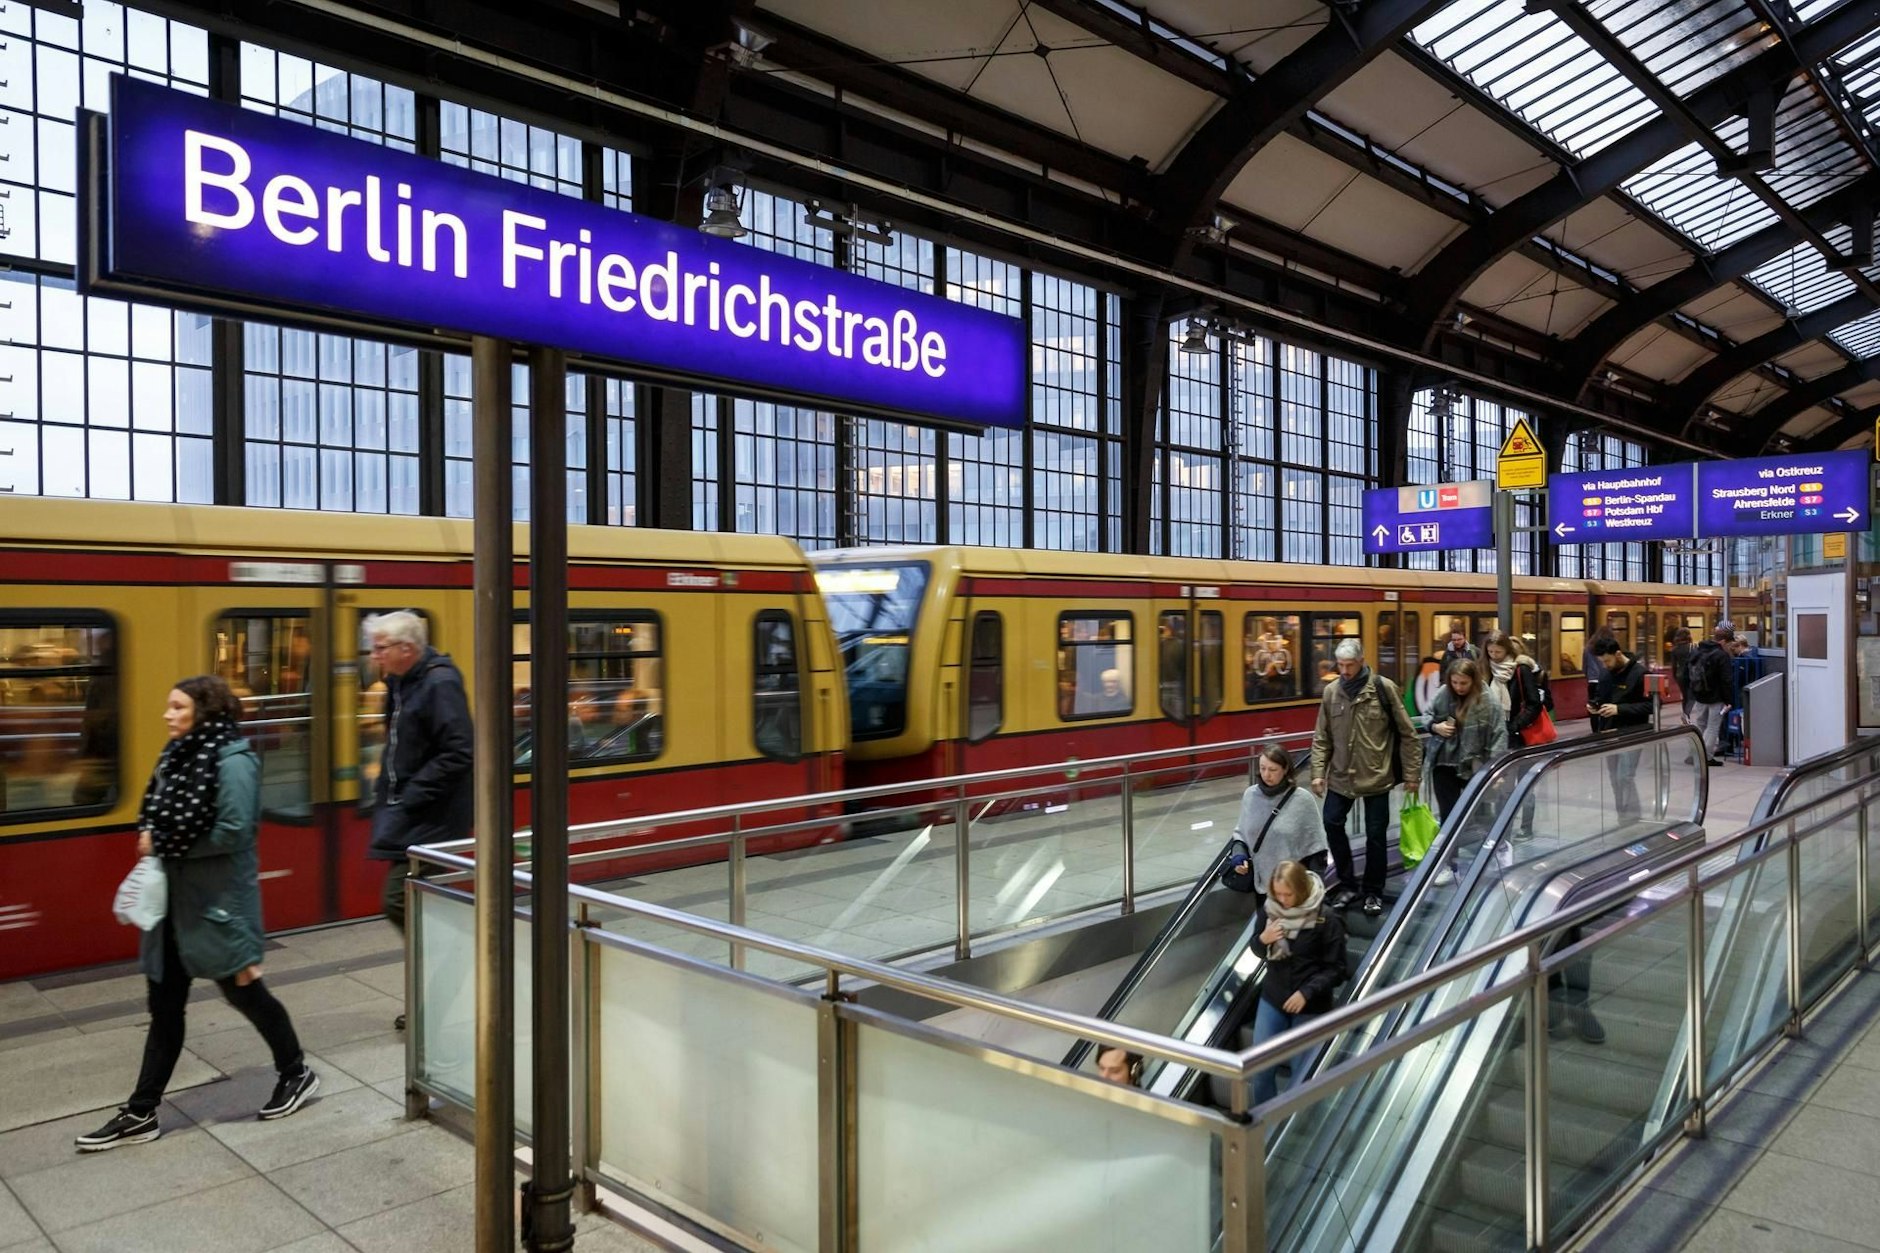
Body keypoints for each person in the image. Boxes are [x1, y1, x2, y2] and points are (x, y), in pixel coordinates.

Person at [76, 676, 317, 1151]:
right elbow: (156, 810)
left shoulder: (234, 761)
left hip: (216, 904)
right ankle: (141, 1111)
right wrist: (154, 833)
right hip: (172, 903)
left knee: (245, 993)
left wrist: (162, 842)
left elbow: (234, 831)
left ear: (204, 712)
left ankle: (296, 1072)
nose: (167, 715)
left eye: (177, 707)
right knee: (164, 1008)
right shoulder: (177, 754)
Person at [366, 611, 473, 1030]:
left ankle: (456, 965)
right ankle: (433, 1004)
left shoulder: (439, 683)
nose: (375, 655)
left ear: (407, 649)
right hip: (414, 812)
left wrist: (412, 793)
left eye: (381, 648)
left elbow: (459, 750)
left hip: (433, 816)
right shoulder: (402, 682)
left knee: (400, 900)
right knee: (417, 905)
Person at [1310, 638, 1422, 917]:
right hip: (1340, 776)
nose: (1345, 671)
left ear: (1362, 661)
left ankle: (1373, 891)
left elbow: (1409, 735)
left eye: (1350, 665)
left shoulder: (1383, 689)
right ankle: (1347, 884)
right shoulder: (1331, 692)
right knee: (1331, 822)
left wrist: (1412, 775)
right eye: (1341, 665)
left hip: (1376, 776)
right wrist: (1317, 773)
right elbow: (1321, 738)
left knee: (1375, 836)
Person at [1248, 860, 1347, 1104]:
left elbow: (1338, 969)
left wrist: (1306, 992)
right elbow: (1257, 949)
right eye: (1278, 893)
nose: (1282, 900)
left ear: (1301, 890)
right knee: (1259, 1070)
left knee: (1301, 1077)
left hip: (1310, 1005)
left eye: (1288, 894)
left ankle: (1288, 1131)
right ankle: (1263, 1129)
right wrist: (1263, 939)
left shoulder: (1326, 918)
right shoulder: (1269, 911)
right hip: (1273, 998)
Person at [1424, 659, 1508, 885]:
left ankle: (1499, 847)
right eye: (1455, 682)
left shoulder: (1488, 700)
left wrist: (1496, 770)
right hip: (1445, 763)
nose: (1459, 687)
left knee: (1480, 815)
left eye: (1464, 683)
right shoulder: (1444, 694)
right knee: (1449, 817)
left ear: (1474, 680)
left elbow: (1499, 734)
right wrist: (1436, 727)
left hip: (1475, 765)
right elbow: (1427, 717)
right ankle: (1449, 865)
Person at [1221, 744, 1328, 910]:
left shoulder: (1302, 800)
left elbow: (1316, 848)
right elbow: (1241, 835)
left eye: (1273, 769)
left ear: (1285, 769)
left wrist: (1314, 890)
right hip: (1262, 886)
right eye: (1262, 768)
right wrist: (1238, 857)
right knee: (1264, 934)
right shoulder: (1250, 795)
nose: (1266, 775)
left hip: (1293, 889)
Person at [1590, 636, 1650, 822]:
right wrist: (1595, 705)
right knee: (1615, 778)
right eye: (1602, 662)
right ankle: (1622, 817)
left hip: (1633, 732)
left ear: (1618, 654)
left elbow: (1651, 706)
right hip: (1610, 732)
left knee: (1625, 776)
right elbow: (1601, 696)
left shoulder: (1640, 673)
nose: (1605, 665)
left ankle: (1632, 817)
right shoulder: (1606, 674)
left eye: (1607, 661)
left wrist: (1619, 709)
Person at [1686, 625, 1735, 767]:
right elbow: (1726, 680)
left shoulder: (1697, 650)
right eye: (1729, 643)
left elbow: (1687, 673)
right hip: (1716, 697)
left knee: (1700, 725)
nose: (1729, 646)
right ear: (1724, 641)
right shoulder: (1721, 655)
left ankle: (1693, 754)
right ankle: (1705, 757)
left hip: (1699, 695)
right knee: (1713, 727)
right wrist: (1729, 700)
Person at [1668, 628, 1695, 723]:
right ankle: (1686, 714)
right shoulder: (1693, 647)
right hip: (1691, 674)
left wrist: (1675, 676)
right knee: (1692, 696)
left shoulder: (1675, 649)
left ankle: (1685, 714)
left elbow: (1674, 666)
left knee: (1685, 696)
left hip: (1680, 675)